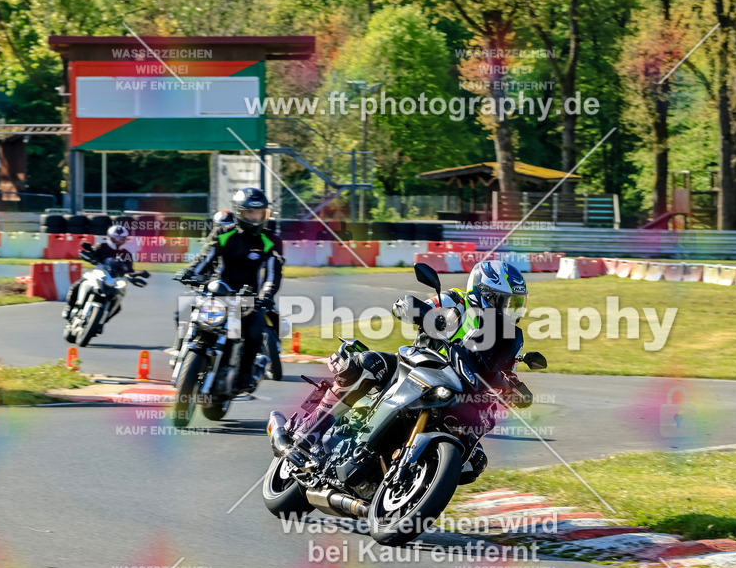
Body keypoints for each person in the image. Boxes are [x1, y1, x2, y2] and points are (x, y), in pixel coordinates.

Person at [293, 260, 533, 483]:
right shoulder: (457, 301)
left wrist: (514, 387)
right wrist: (421, 312)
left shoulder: (507, 337)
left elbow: (502, 371)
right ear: (485, 294)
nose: (511, 310)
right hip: (417, 365)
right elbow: (410, 307)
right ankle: (310, 430)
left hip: (459, 389)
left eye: (516, 304)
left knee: (474, 462)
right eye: (506, 301)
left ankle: (415, 482)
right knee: (368, 364)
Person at [175, 187, 283, 391]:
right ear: (239, 212)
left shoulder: (269, 240)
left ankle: (244, 376)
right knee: (191, 316)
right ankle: (183, 354)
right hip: (218, 293)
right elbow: (205, 258)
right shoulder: (224, 233)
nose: (254, 217)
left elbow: (272, 272)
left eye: (259, 213)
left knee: (254, 332)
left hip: (249, 299)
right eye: (250, 212)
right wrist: (190, 272)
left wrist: (266, 296)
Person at [63, 225, 135, 321]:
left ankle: (101, 322)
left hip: (115, 280)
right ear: (110, 237)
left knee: (118, 306)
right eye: (116, 238)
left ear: (125, 239)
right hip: (100, 273)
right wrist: (89, 256)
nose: (118, 241)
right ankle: (69, 307)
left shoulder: (127, 254)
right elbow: (91, 253)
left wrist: (134, 276)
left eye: (121, 238)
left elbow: (130, 269)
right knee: (77, 285)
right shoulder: (102, 246)